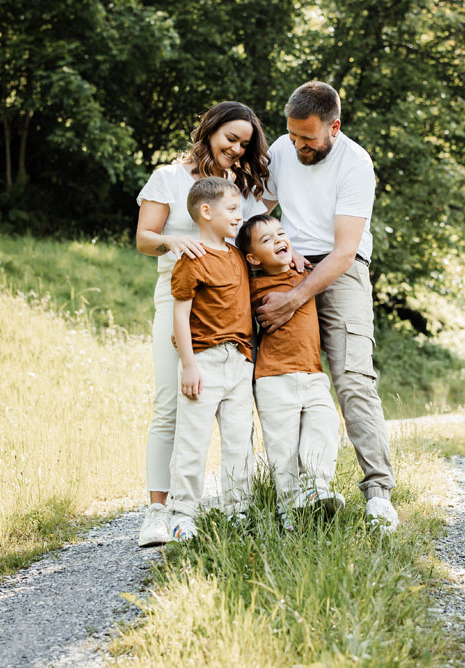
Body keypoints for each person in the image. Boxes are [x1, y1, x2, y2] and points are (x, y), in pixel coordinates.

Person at [258, 81, 399, 531]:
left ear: (333, 127)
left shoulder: (355, 163)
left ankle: (378, 494)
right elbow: (259, 209)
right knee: (283, 381)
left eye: (308, 138)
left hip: (341, 271)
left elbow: (343, 251)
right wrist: (277, 247)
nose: (298, 145)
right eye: (293, 135)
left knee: (352, 378)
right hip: (287, 265)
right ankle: (297, 492)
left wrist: (295, 299)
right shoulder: (282, 148)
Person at [135, 102, 268, 547]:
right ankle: (158, 511)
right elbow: (144, 238)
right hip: (177, 296)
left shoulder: (239, 188)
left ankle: (232, 508)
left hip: (228, 307)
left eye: (244, 144)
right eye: (230, 138)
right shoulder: (168, 178)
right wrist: (174, 239)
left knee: (231, 415)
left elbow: (255, 235)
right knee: (170, 402)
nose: (236, 148)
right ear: (209, 130)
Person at [237, 213, 344, 529]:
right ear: (253, 257)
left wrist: (297, 258)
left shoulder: (306, 275)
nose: (278, 241)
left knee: (325, 426)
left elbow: (325, 266)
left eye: (281, 233)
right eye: (266, 240)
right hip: (273, 378)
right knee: (282, 449)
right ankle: (289, 511)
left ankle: (315, 489)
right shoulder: (254, 285)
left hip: (312, 372)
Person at [168, 177, 255, 541]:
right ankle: (182, 513)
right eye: (232, 210)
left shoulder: (237, 254)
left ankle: (238, 511)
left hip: (240, 361)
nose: (239, 217)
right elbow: (180, 316)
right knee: (193, 440)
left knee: (240, 442)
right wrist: (189, 365)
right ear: (206, 211)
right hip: (203, 362)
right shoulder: (193, 259)